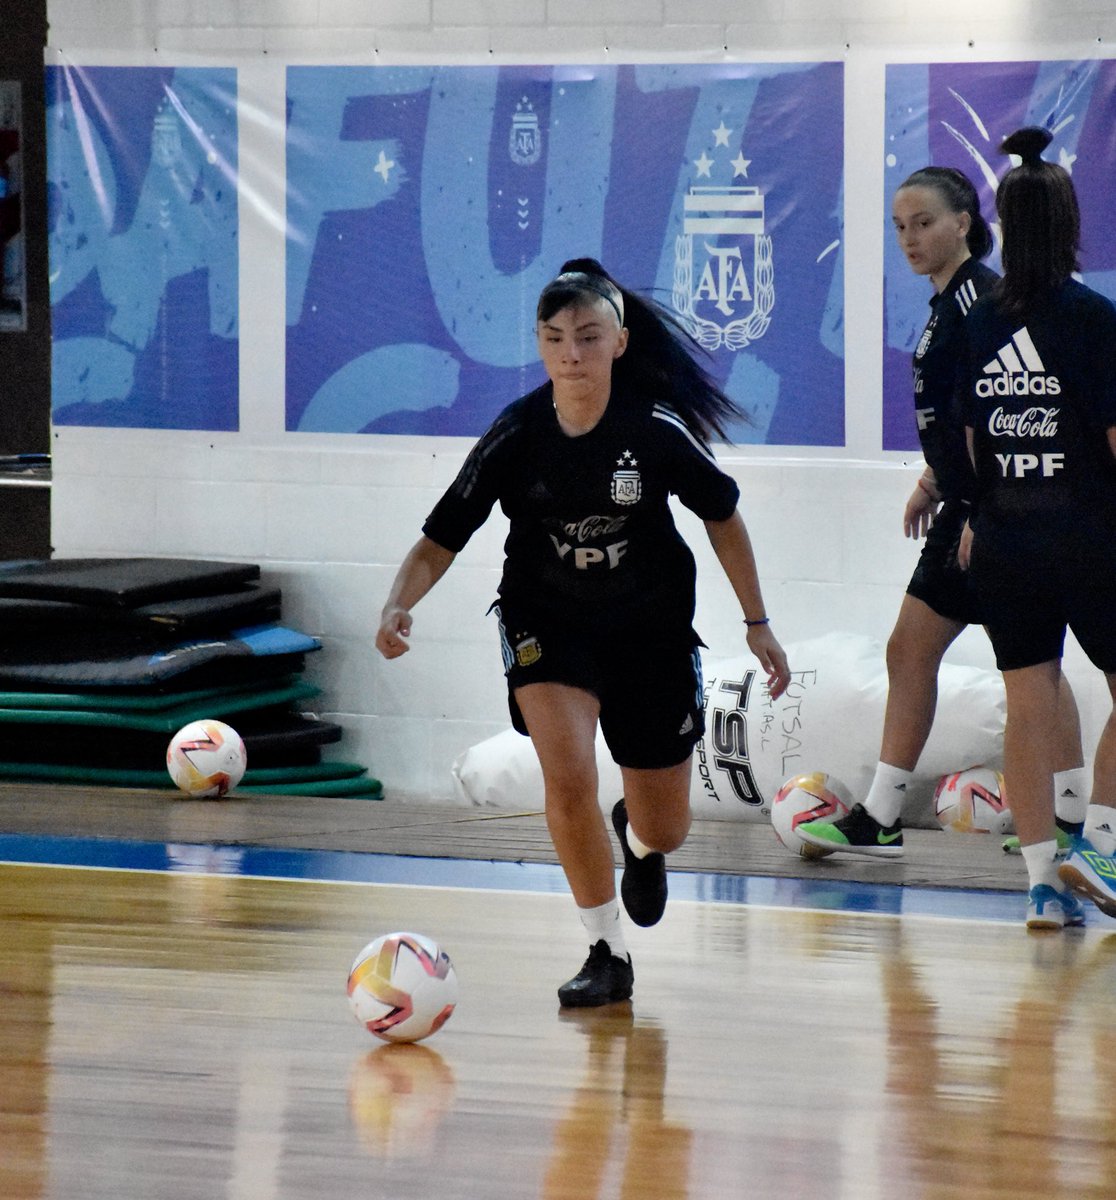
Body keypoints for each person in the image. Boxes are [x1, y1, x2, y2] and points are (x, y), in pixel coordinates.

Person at [376, 258, 790, 1006]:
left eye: (588, 337)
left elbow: (723, 515)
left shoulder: (654, 428)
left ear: (619, 344)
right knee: (567, 775)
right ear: (539, 345)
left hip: (650, 628)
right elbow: (441, 535)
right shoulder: (518, 432)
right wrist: (398, 604)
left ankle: (639, 840)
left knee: (667, 826)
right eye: (556, 337)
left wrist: (758, 624)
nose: (572, 352)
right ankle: (606, 951)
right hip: (546, 620)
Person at [798, 165, 1085, 860]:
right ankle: (890, 812)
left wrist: (979, 510)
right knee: (931, 652)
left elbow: (1004, 414)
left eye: (924, 222)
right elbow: (960, 413)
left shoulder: (982, 303)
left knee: (1024, 665)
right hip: (964, 500)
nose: (910, 238)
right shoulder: (947, 304)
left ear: (965, 222)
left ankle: (1064, 819)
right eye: (900, 227)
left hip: (992, 509)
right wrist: (931, 479)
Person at [958, 126, 1116, 929]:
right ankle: (1104, 849)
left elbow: (971, 443)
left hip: (1004, 540)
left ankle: (1042, 889)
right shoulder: (1094, 320)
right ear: (1069, 223)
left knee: (1029, 703)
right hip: (1088, 536)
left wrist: (976, 516)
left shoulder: (978, 322)